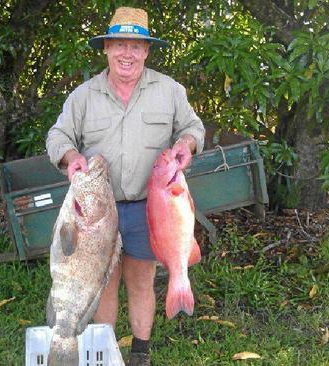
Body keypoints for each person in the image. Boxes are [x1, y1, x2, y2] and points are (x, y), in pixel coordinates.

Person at [46, 6, 205, 366]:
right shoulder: (84, 95)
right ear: (106, 48)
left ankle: (140, 355)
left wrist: (186, 145)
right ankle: (107, 353)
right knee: (103, 283)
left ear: (147, 51)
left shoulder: (169, 91)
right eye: (119, 44)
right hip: (97, 212)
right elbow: (58, 135)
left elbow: (193, 129)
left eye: (136, 46)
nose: (127, 54)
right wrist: (70, 156)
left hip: (149, 208)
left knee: (141, 280)